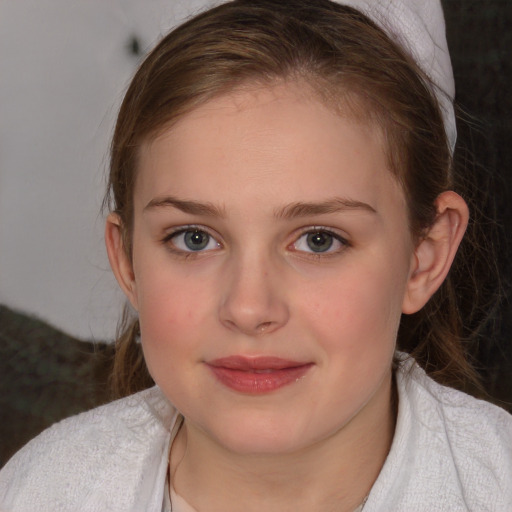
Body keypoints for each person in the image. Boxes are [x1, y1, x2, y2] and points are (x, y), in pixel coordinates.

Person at [1, 0, 511, 510]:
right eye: (194, 238)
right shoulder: (40, 491)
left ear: (424, 255)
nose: (248, 309)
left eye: (319, 240)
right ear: (129, 261)